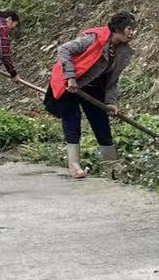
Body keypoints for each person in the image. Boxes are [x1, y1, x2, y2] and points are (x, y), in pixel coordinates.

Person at [46, 11, 139, 179]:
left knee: (101, 122)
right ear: (117, 29)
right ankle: (74, 166)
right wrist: (70, 77)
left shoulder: (123, 51)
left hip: (95, 85)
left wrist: (110, 102)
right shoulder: (93, 39)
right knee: (72, 120)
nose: (132, 33)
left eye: (134, 29)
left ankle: (111, 167)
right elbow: (64, 49)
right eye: (129, 29)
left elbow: (113, 79)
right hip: (72, 83)